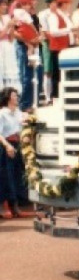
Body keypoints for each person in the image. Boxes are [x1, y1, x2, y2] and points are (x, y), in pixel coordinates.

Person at [46, 0, 79, 101]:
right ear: (63, 4)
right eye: (68, 3)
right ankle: (56, 97)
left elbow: (68, 31)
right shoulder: (54, 16)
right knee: (57, 75)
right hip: (58, 48)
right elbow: (53, 32)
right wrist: (70, 30)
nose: (70, 6)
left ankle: (66, 96)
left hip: (67, 47)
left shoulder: (66, 16)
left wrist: (76, 32)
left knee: (67, 74)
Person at [10, 0, 39, 110]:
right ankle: (23, 105)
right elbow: (15, 31)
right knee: (25, 76)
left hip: (31, 45)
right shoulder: (15, 7)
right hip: (22, 46)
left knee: (32, 76)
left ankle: (29, 103)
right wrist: (28, 44)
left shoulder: (26, 7)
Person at [0, 87, 27, 218]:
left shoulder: (18, 112)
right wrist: (7, 146)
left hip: (17, 144)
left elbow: (22, 128)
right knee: (6, 176)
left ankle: (15, 206)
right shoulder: (2, 113)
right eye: (14, 96)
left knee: (17, 175)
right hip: (5, 145)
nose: (16, 98)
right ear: (8, 98)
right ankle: (4, 206)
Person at [38, 0, 57, 104]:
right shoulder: (43, 14)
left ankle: (56, 95)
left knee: (57, 70)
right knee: (48, 70)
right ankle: (47, 96)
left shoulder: (59, 14)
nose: (55, 5)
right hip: (48, 43)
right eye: (54, 2)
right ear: (49, 3)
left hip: (58, 44)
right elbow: (44, 31)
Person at [0, 0, 20, 90]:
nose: (5, 7)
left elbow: (11, 38)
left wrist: (12, 26)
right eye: (3, 4)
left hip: (8, 46)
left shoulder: (7, 17)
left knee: (10, 70)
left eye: (5, 4)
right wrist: (7, 26)